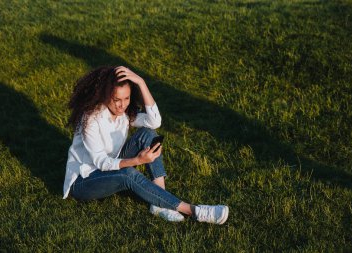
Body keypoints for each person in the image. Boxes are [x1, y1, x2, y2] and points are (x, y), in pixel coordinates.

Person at [62, 66, 229, 224]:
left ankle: (158, 203)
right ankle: (194, 211)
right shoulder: (91, 118)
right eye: (116, 100)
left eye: (126, 98)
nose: (122, 105)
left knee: (148, 134)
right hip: (84, 181)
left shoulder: (124, 113)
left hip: (111, 165)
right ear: (106, 96)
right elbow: (101, 162)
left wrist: (141, 82)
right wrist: (137, 161)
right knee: (127, 173)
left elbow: (154, 121)